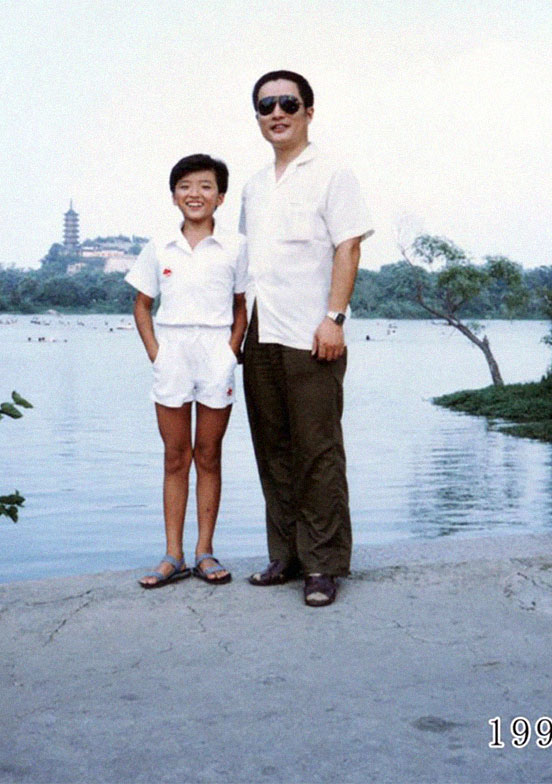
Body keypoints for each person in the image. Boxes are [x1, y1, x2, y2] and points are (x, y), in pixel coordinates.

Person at [240, 71, 374, 607]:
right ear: (258, 117)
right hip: (261, 332)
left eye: (287, 103)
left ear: (308, 112)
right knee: (273, 449)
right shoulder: (253, 186)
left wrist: (334, 317)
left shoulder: (333, 174)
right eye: (266, 105)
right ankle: (287, 556)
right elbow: (251, 265)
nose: (277, 112)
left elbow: (349, 247)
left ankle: (323, 565)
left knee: (318, 452)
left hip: (312, 333)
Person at [126, 154, 247, 588]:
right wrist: (156, 354)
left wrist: (231, 351)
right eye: (185, 186)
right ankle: (173, 555)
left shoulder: (236, 246)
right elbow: (142, 305)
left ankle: (204, 552)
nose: (195, 194)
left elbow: (241, 306)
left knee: (208, 455)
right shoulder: (160, 246)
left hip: (216, 352)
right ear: (174, 196)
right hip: (172, 353)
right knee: (175, 457)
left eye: (205, 186)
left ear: (220, 197)